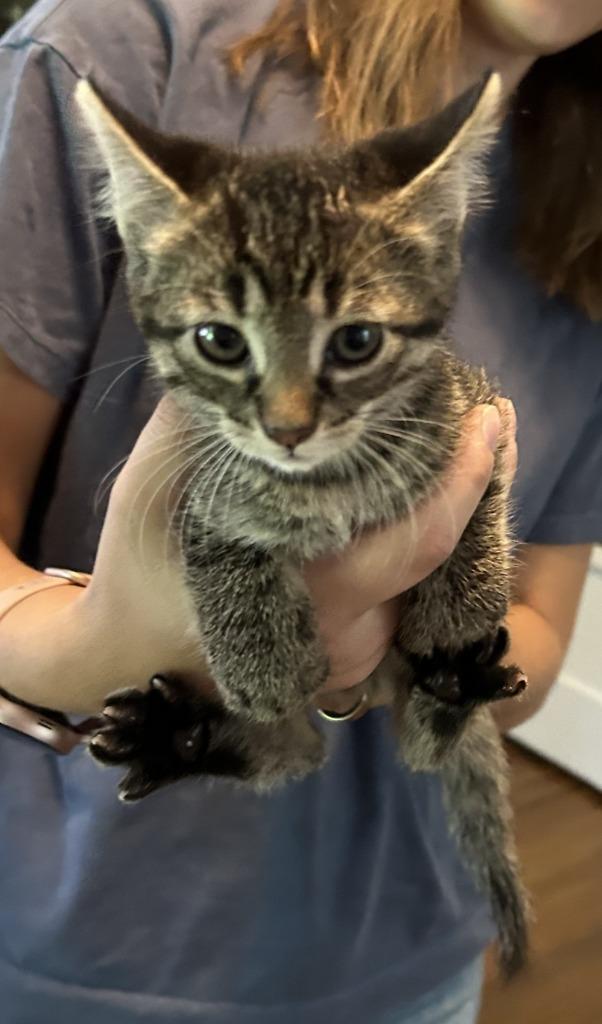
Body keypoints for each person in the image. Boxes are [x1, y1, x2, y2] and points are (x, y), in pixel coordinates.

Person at [0, 1, 600, 1021]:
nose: (286, 421)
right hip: (80, 944)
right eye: (228, 346)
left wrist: (394, 660)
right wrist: (105, 640)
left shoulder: (585, 220)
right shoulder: (123, 50)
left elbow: (530, 640)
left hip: (401, 953)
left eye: (353, 346)